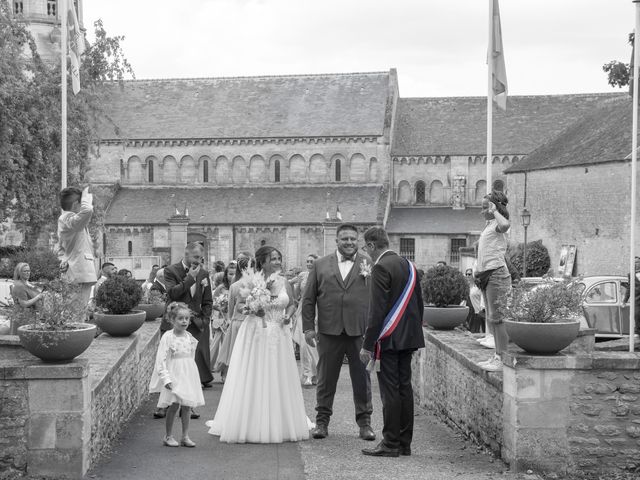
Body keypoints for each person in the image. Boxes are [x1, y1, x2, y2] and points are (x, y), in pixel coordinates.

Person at [206, 246, 309, 443]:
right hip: (255, 332)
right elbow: (239, 307)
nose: (278, 262)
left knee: (278, 374)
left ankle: (281, 420)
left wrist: (288, 316)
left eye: (279, 258)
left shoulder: (284, 281)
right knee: (255, 373)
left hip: (279, 332)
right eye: (273, 259)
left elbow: (291, 304)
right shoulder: (251, 281)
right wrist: (254, 308)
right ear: (262, 261)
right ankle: (251, 421)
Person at [302, 223, 375, 441]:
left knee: (362, 379)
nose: (349, 242)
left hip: (358, 332)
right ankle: (322, 423)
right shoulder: (321, 264)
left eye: (353, 239)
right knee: (326, 379)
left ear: (358, 240)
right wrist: (308, 328)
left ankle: (365, 424)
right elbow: (308, 299)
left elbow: (376, 299)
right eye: (345, 239)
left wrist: (372, 332)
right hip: (329, 330)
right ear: (337, 240)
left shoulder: (368, 263)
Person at [359, 227, 425, 457]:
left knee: (390, 392)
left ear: (371, 245)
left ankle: (390, 443)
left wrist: (367, 345)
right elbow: (419, 303)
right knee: (405, 388)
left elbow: (376, 312)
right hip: (409, 337)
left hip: (389, 338)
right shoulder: (409, 265)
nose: (365, 253)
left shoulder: (380, 267)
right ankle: (404, 443)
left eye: (365, 248)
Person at [149, 302, 205, 448]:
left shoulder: (189, 337)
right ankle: (168, 436)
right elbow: (161, 359)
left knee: (187, 405)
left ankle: (185, 436)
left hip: (187, 374)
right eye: (180, 318)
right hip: (174, 374)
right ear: (172, 320)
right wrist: (166, 378)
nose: (184, 321)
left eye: (187, 318)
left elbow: (190, 357)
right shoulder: (168, 337)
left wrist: (192, 377)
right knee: (173, 405)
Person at [164, 242, 214, 394]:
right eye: (195, 257)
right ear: (186, 255)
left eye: (200, 257)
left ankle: (198, 381)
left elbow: (207, 300)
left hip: (198, 322)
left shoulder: (204, 274)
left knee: (198, 355)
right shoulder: (171, 270)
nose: (198, 260)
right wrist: (190, 278)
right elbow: (173, 293)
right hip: (177, 323)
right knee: (178, 358)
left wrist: (205, 319)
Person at [474, 191, 511, 372]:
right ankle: (497, 355)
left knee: (498, 319)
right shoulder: (489, 225)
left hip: (496, 275)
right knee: (492, 319)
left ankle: (502, 358)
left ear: (494, 206)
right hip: (487, 276)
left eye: (485, 208)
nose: (482, 211)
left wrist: (495, 210)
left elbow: (505, 224)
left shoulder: (498, 223)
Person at [56, 186, 97, 305]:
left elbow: (61, 249)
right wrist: (85, 198)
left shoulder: (68, 221)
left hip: (77, 273)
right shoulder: (67, 218)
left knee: (77, 315)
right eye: (80, 204)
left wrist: (63, 260)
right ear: (75, 205)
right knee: (76, 316)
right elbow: (88, 210)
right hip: (77, 273)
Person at [214, 256, 252, 376]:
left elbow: (231, 308)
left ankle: (233, 376)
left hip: (237, 322)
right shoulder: (258, 284)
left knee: (235, 352)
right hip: (248, 321)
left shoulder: (234, 286)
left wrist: (230, 318)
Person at [291, 254, 319, 386]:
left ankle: (316, 374)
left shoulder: (321, 274)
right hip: (303, 310)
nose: (308, 263)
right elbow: (294, 293)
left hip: (318, 311)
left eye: (311, 261)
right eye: (307, 261)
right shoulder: (302, 275)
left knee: (315, 345)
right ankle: (307, 374)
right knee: (304, 344)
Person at [209, 262, 236, 380]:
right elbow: (212, 303)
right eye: (230, 274)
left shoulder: (241, 286)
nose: (232, 276)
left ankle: (228, 372)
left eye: (235, 273)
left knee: (232, 347)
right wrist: (220, 306)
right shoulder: (221, 288)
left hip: (235, 320)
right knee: (219, 346)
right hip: (221, 320)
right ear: (226, 275)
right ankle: (212, 369)